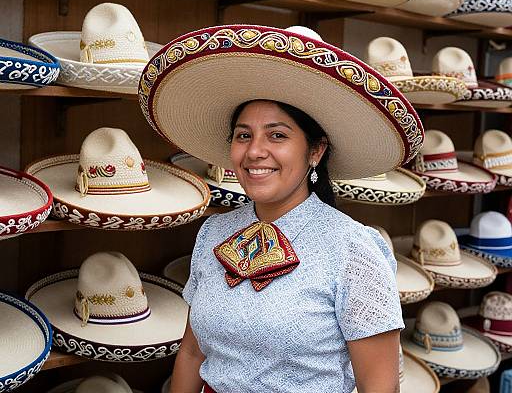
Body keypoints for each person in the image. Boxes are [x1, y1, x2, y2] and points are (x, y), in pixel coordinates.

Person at [138, 24, 424, 393]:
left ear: (315, 151)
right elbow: (194, 352)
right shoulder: (214, 233)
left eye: (277, 135)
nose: (255, 152)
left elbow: (379, 387)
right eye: (244, 135)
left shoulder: (353, 249)